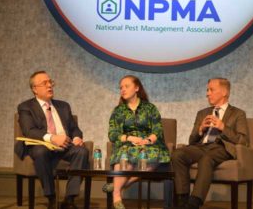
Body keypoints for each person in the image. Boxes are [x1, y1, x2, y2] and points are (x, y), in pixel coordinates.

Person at [15, 71, 89, 209]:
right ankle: (51, 197)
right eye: (44, 83)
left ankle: (70, 199)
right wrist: (52, 138)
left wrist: (77, 137)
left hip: (65, 145)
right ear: (34, 89)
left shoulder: (63, 106)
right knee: (40, 152)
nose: (50, 85)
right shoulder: (25, 107)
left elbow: (74, 128)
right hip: (42, 145)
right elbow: (29, 131)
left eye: (50, 82)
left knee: (82, 152)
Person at [172, 78, 249, 209]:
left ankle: (194, 203)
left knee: (206, 159)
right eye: (207, 90)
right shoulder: (202, 113)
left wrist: (223, 127)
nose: (207, 93)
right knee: (177, 154)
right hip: (201, 146)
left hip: (221, 148)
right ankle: (182, 201)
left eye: (211, 90)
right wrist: (200, 129)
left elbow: (243, 140)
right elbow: (192, 141)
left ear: (224, 92)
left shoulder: (238, 114)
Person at [105, 75, 170, 209]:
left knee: (153, 155)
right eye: (121, 87)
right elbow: (112, 134)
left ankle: (121, 184)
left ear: (137, 88)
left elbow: (157, 129)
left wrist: (147, 140)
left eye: (126, 86)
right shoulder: (118, 111)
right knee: (125, 154)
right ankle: (117, 195)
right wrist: (128, 138)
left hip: (148, 145)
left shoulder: (150, 108)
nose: (123, 89)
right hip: (127, 144)